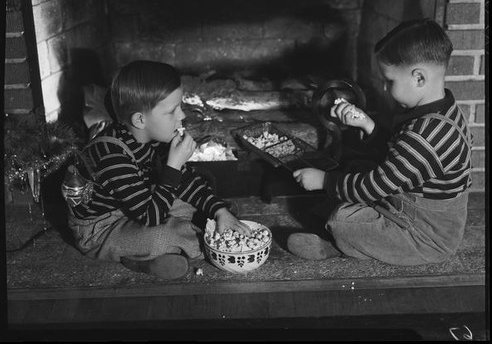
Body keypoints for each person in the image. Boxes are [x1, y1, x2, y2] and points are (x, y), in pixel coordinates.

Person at [287, 19, 473, 266]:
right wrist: (367, 124)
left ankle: (338, 243)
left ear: (419, 78)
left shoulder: (428, 136)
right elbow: (399, 154)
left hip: (424, 237)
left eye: (390, 81)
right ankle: (347, 233)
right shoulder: (441, 111)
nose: (385, 89)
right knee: (358, 166)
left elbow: (373, 187)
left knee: (343, 219)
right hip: (405, 207)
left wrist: (324, 180)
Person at [64, 60, 251, 279]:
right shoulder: (111, 155)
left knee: (196, 199)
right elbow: (150, 218)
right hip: (101, 229)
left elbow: (185, 182)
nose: (182, 116)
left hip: (137, 207)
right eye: (173, 111)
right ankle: (149, 256)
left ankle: (198, 229)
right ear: (140, 120)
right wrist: (173, 166)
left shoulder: (152, 137)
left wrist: (219, 211)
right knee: (163, 235)